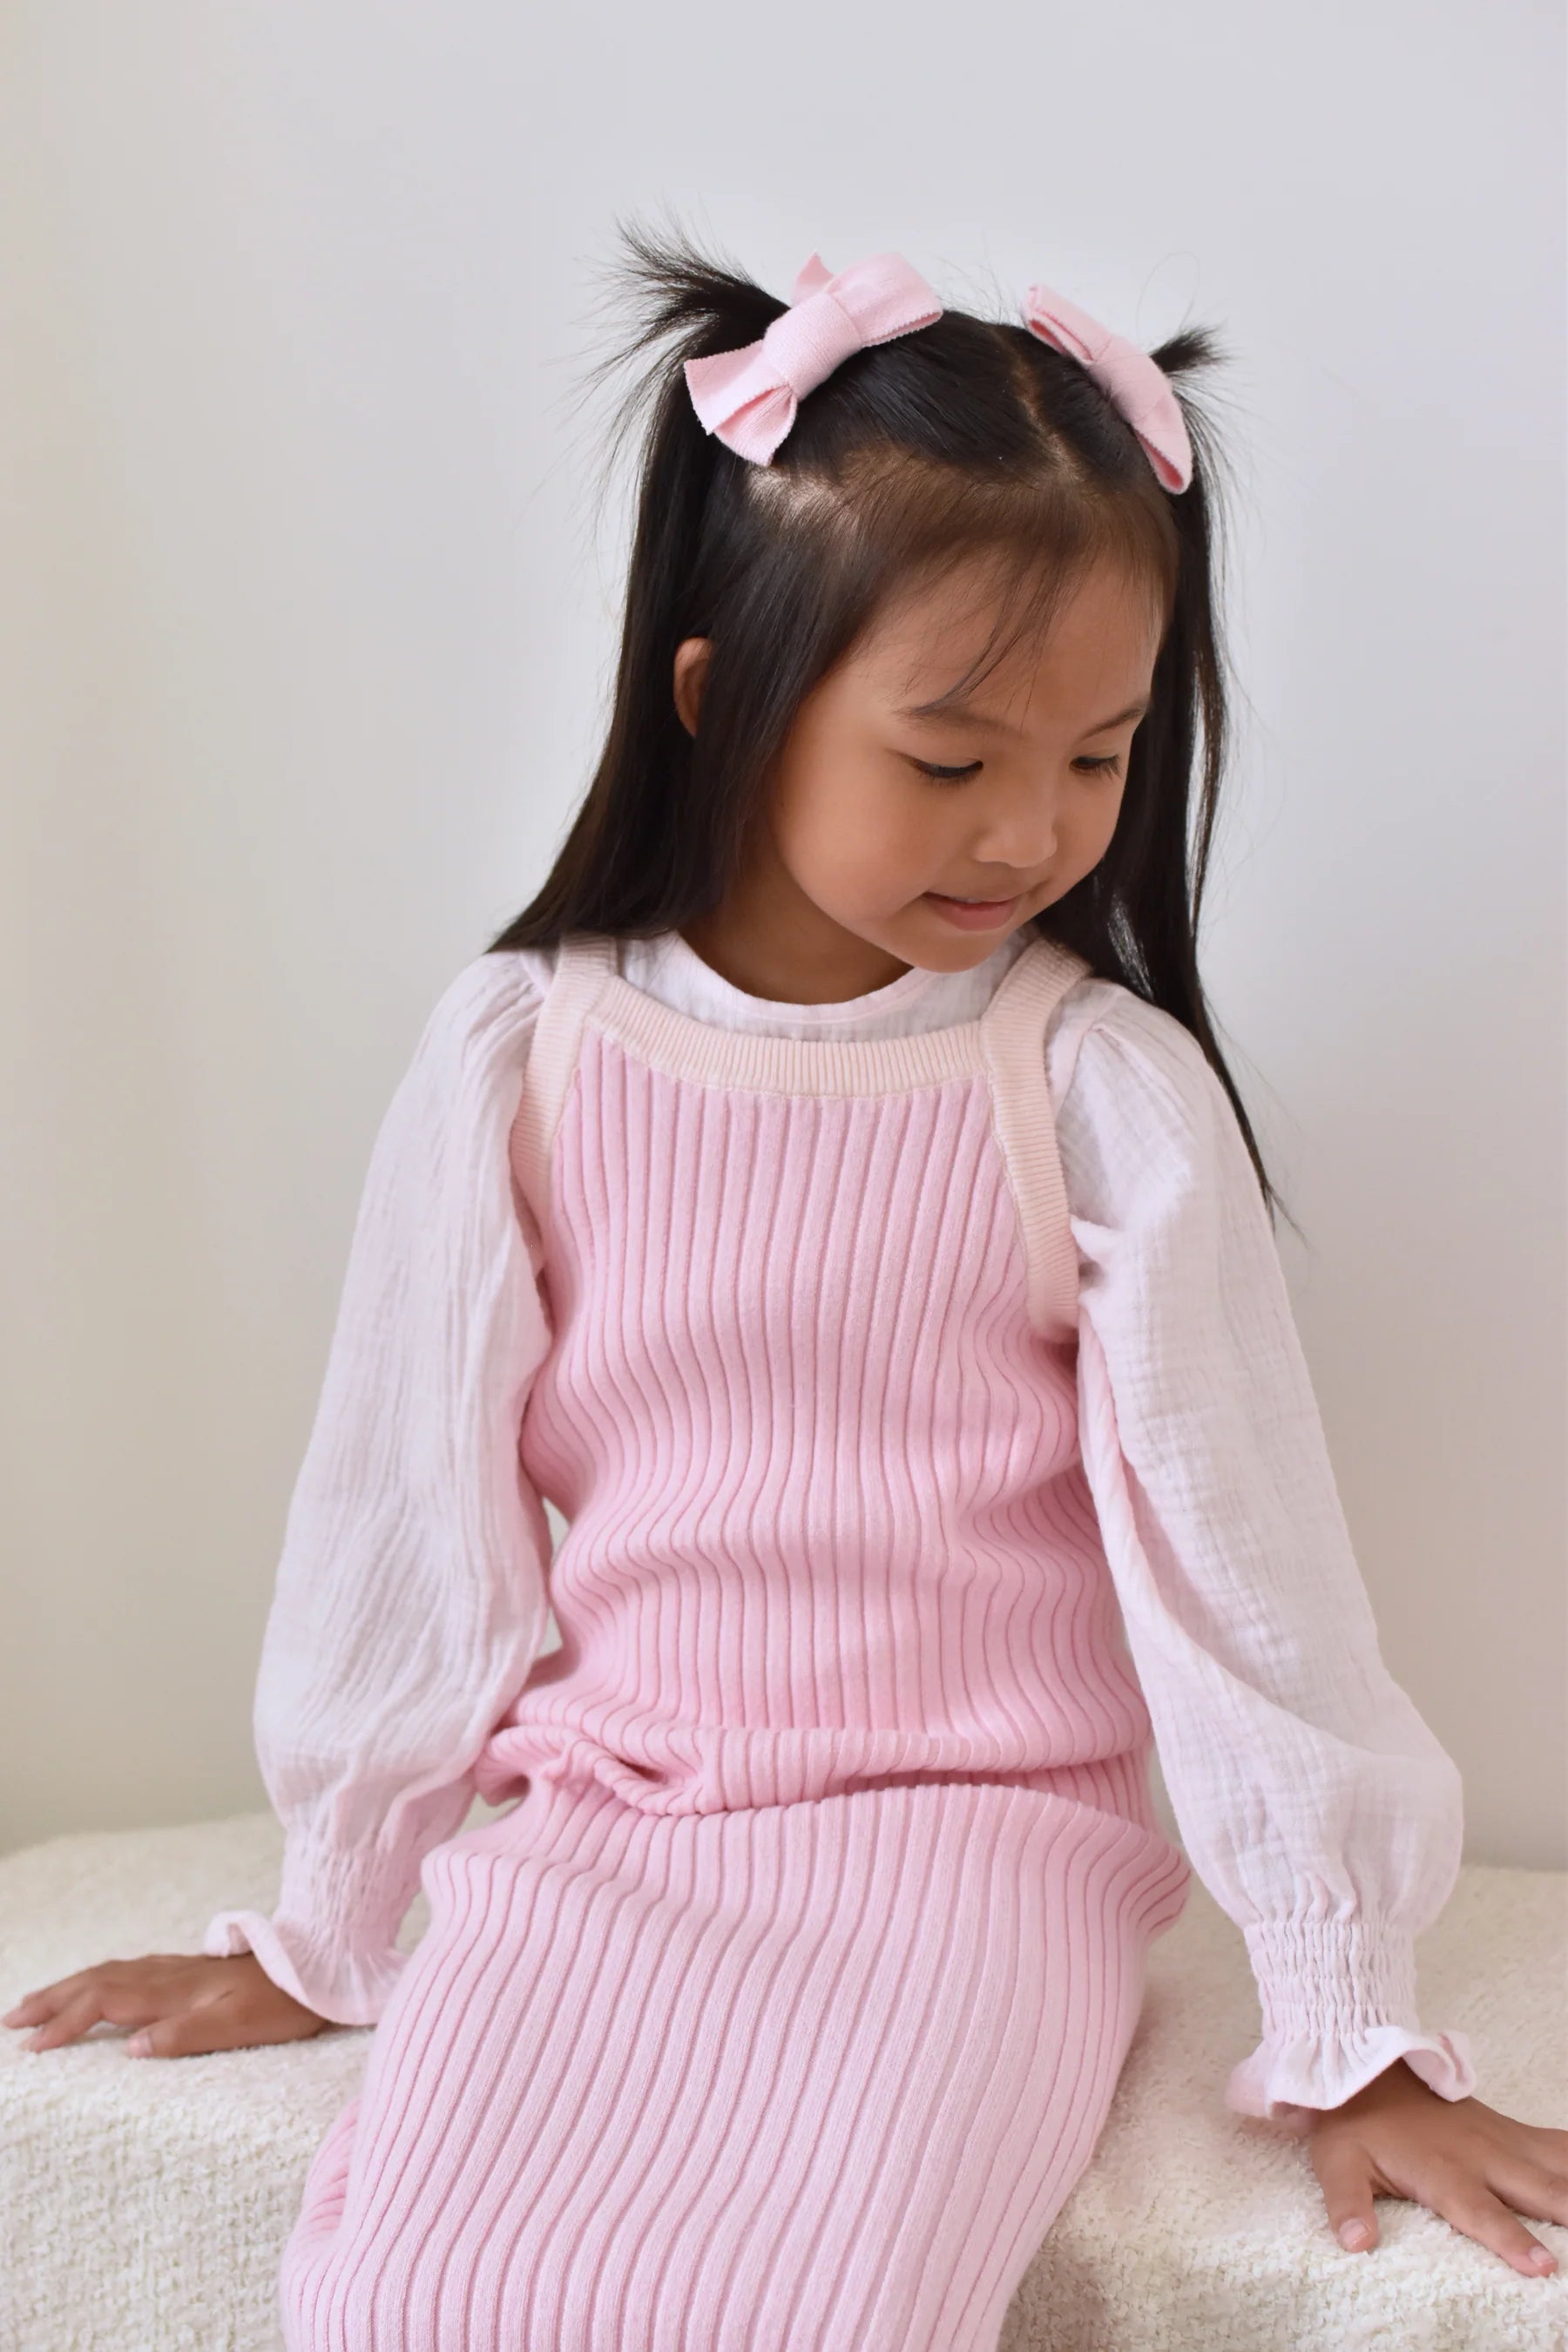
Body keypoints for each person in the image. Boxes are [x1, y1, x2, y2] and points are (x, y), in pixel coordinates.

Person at [7, 227, 1565, 2350]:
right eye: (951, 759)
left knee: (823, 2293)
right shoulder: (527, 1057)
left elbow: (1249, 1583)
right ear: (723, 701)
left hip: (976, 1846)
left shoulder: (1088, 1093)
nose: (1030, 834)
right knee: (414, 2284)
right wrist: (328, 1910)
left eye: (1099, 756)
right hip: (607, 1823)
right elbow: (407, 1511)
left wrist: (1349, 2017)